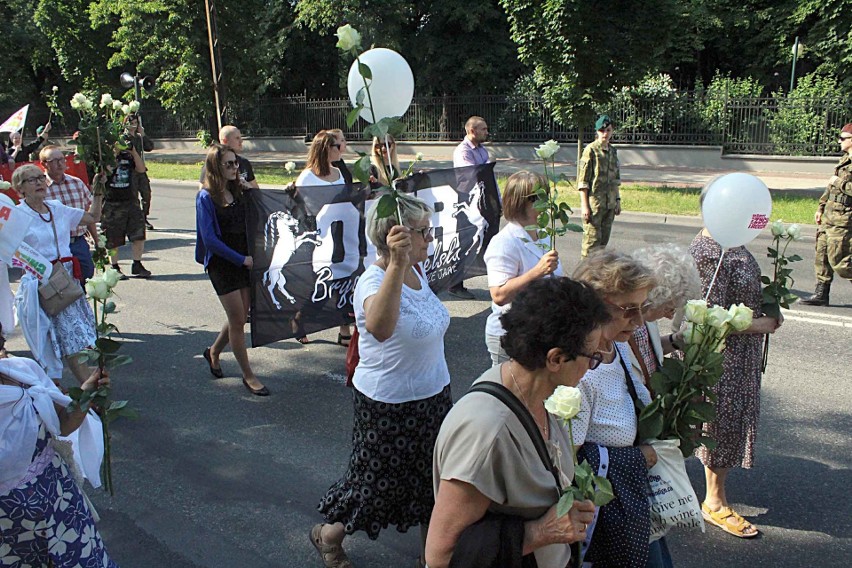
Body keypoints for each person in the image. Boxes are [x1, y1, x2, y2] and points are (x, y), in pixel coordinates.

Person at [311, 193, 452, 568]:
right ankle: (327, 536)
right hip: (388, 407)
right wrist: (396, 264)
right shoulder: (373, 280)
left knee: (433, 486)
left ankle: (432, 560)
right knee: (371, 489)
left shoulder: (418, 270)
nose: (431, 238)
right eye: (424, 232)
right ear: (396, 236)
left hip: (434, 397)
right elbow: (380, 327)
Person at [426, 277, 607, 568]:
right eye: (593, 356)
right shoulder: (487, 432)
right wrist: (540, 533)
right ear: (556, 359)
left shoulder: (537, 394)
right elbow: (442, 556)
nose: (593, 366)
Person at [689, 184, 784, 539]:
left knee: (730, 422)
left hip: (741, 355)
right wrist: (761, 323)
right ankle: (714, 502)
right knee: (721, 425)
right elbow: (707, 317)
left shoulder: (730, 241)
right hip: (721, 357)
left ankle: (714, 494)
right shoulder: (707, 252)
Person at [572, 250, 665, 567]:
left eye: (643, 309)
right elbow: (571, 458)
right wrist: (638, 457)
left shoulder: (618, 345)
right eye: (629, 310)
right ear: (595, 306)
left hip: (628, 499)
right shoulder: (584, 372)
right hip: (604, 516)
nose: (639, 321)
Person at [0, 355, 117, 567]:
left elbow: (63, 423)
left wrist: (87, 394)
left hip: (60, 504)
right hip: (8, 527)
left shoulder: (22, 371)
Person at [13, 164, 102, 385]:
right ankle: (86, 394)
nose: (39, 183)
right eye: (31, 180)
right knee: (59, 341)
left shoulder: (57, 207)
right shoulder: (16, 215)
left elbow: (92, 217)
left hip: (66, 282)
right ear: (20, 188)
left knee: (76, 339)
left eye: (41, 178)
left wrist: (99, 192)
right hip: (42, 285)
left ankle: (87, 392)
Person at [196, 143, 268, 396]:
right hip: (223, 263)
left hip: (243, 259)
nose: (235, 168)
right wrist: (241, 260)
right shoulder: (206, 197)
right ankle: (248, 375)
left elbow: (262, 211)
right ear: (216, 167)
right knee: (238, 320)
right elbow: (210, 240)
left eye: (236, 163)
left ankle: (214, 351)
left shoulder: (238, 190)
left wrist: (253, 192)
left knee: (239, 315)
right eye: (229, 164)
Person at [483, 170, 562, 366]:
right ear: (520, 202)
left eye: (546, 197)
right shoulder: (504, 242)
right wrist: (537, 272)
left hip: (539, 331)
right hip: (512, 335)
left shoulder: (542, 234)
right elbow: (499, 296)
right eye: (539, 198)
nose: (546, 204)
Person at [294, 130, 351, 345]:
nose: (340, 149)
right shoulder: (308, 176)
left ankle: (344, 328)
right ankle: (301, 318)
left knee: (345, 280)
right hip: (323, 236)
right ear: (325, 149)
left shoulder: (339, 172)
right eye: (336, 146)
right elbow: (303, 208)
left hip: (343, 233)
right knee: (327, 281)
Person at [628, 244, 702, 388]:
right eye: (668, 309)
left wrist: (676, 341)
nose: (669, 317)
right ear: (654, 298)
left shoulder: (647, 319)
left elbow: (646, 351)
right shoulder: (621, 325)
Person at [801, 122, 852, 306]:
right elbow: (830, 188)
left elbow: (838, 184)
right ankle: (821, 294)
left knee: (840, 261)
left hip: (843, 219)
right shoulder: (844, 159)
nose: (839, 141)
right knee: (821, 254)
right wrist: (820, 207)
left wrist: (839, 182)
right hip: (830, 215)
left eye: (843, 138)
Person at [40, 144, 97, 281]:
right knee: (61, 284)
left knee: (86, 274)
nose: (60, 164)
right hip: (53, 245)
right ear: (44, 164)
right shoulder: (39, 188)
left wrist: (96, 240)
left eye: (62, 159)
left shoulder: (76, 183)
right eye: (54, 161)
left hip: (77, 241)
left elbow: (89, 215)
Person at [449, 116, 490, 299]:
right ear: (472, 131)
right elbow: (472, 174)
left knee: (484, 239)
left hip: (482, 201)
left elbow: (488, 178)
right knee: (465, 241)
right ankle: (455, 284)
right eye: (483, 129)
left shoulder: (483, 151)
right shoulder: (462, 151)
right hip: (466, 202)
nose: (486, 132)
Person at [103, 146, 153, 278]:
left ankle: (137, 264)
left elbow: (141, 169)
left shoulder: (128, 157)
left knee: (139, 234)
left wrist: (134, 152)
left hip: (131, 200)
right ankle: (114, 267)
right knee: (113, 237)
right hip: (112, 202)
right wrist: (114, 153)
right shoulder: (104, 155)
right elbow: (106, 171)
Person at [578, 115, 621, 258]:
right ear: (597, 132)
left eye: (608, 130)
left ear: (612, 131)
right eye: (602, 131)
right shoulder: (590, 150)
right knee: (591, 245)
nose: (605, 134)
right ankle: (583, 277)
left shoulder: (613, 152)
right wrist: (584, 206)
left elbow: (615, 179)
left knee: (603, 246)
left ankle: (597, 276)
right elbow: (583, 182)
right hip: (594, 206)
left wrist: (618, 200)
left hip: (609, 205)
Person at [198, 125, 258, 190]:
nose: (241, 141)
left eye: (235, 163)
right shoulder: (213, 164)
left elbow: (257, 191)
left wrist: (249, 187)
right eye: (237, 138)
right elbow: (202, 191)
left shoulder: (244, 162)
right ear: (225, 141)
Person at [125, 113, 156, 230]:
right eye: (131, 123)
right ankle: (136, 219)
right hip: (130, 170)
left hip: (141, 170)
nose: (133, 126)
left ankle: (144, 217)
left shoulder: (139, 138)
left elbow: (149, 147)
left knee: (146, 194)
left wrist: (143, 134)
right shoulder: (124, 138)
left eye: (135, 123)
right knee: (133, 197)